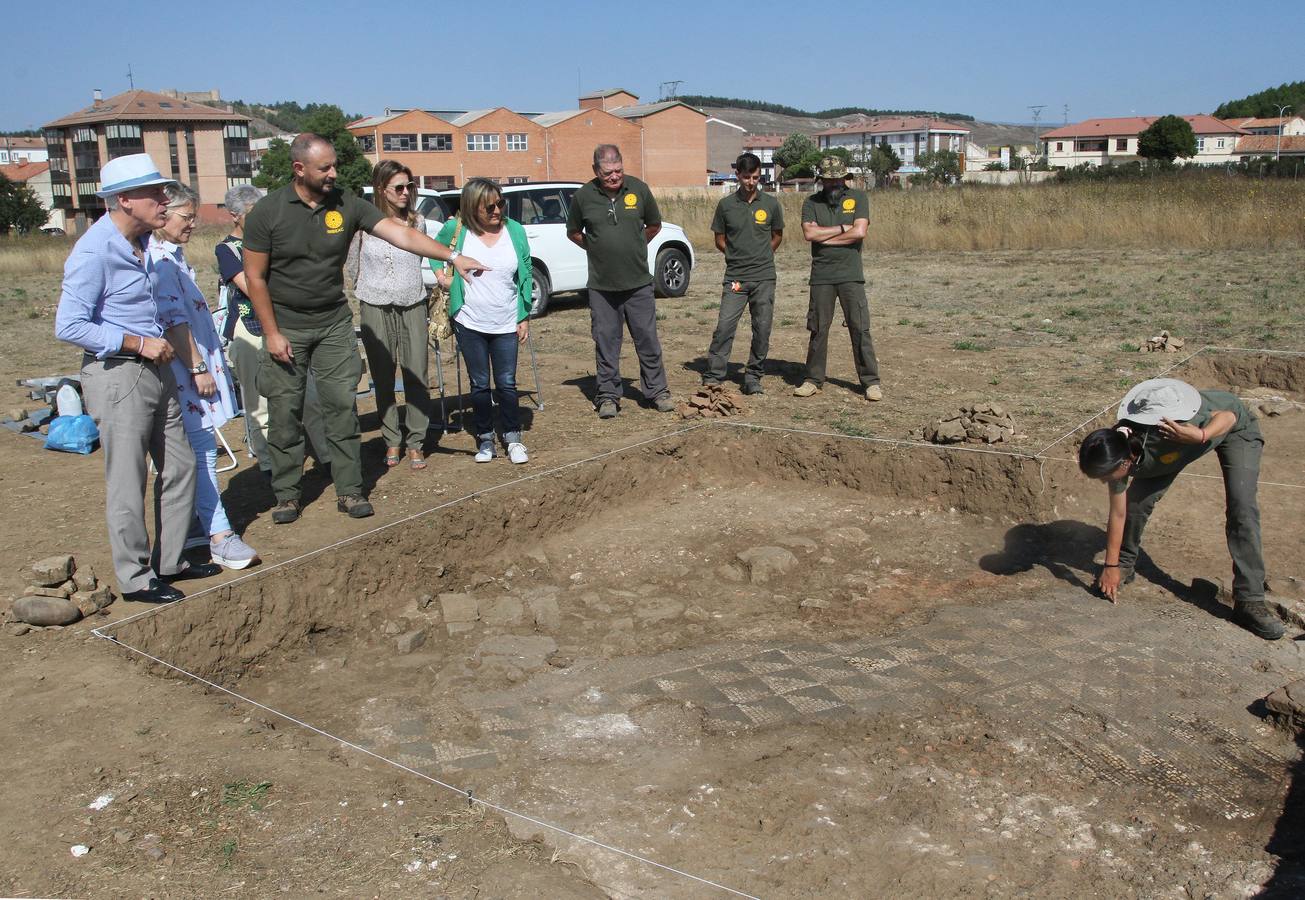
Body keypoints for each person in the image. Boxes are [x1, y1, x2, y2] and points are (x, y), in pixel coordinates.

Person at [242, 133, 486, 524]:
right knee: (286, 412)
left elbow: (401, 233)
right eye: (325, 168)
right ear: (298, 169)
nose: (334, 173)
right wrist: (271, 333)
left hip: (333, 322)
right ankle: (287, 494)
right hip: (286, 325)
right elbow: (255, 279)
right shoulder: (267, 213)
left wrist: (452, 255)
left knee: (341, 407)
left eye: (334, 165)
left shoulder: (347, 205)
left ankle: (350, 489)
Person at [53, 153, 218, 602]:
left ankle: (171, 561)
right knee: (127, 479)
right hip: (118, 373)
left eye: (164, 192)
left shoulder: (143, 244)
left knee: (181, 465)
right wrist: (136, 343)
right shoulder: (95, 251)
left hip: (157, 369)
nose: (164, 200)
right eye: (154, 193)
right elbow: (69, 325)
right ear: (124, 200)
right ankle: (135, 577)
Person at [1078, 377, 1283, 640]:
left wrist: (1201, 435)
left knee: (1241, 508)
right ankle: (1126, 565)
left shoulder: (1185, 421)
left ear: (1127, 462)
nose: (1107, 481)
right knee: (1135, 504)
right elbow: (1119, 512)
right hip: (1170, 451)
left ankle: (1250, 600)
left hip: (1227, 430)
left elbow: (1229, 417)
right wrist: (1111, 565)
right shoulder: (1117, 446)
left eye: (1107, 475)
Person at [150, 183, 258, 570]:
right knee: (202, 451)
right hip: (186, 371)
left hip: (192, 366)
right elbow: (173, 321)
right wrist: (197, 366)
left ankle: (194, 525)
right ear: (163, 215)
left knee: (194, 453)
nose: (193, 223)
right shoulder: (159, 258)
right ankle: (219, 535)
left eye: (194, 216)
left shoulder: (173, 256)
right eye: (186, 216)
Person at [216, 185, 332, 481]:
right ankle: (269, 464)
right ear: (235, 216)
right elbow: (252, 287)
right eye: (254, 214)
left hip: (287, 325)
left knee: (310, 396)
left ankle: (327, 457)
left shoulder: (274, 242)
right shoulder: (227, 250)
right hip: (249, 331)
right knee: (258, 403)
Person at [566, 144, 674, 419]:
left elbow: (653, 225)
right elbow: (574, 232)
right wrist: (598, 248)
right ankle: (608, 396)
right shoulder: (583, 197)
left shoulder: (639, 189)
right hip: (602, 287)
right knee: (606, 342)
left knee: (647, 339)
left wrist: (635, 245)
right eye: (607, 173)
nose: (614, 177)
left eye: (618, 171)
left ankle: (657, 392)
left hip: (638, 283)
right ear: (595, 171)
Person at [432, 178, 532, 464]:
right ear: (472, 207)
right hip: (470, 320)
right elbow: (435, 250)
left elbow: (525, 268)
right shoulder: (457, 229)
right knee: (479, 383)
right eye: (489, 207)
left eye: (500, 204)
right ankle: (485, 438)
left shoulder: (514, 230)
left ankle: (513, 437)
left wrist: (523, 315)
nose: (497, 210)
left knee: (507, 382)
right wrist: (441, 277)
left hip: (505, 320)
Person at [346, 160, 431, 470]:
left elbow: (421, 257)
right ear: (381, 190)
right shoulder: (363, 225)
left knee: (416, 374)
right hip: (375, 304)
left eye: (410, 186)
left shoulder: (418, 222)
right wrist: (364, 290)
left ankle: (416, 441)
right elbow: (352, 265)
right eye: (399, 187)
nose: (406, 193)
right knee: (382, 376)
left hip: (412, 302)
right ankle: (391, 439)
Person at [794, 156, 883, 402]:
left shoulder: (858, 199)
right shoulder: (811, 202)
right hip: (821, 275)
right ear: (821, 180)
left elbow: (860, 231)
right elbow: (809, 233)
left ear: (845, 178)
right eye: (828, 179)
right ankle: (813, 379)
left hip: (851, 274)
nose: (833, 183)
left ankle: (870, 382)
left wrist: (827, 237)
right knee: (818, 328)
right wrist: (844, 229)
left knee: (859, 327)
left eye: (837, 179)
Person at [703, 152, 784, 395]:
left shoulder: (771, 204)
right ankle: (714, 375)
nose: (751, 182)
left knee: (762, 328)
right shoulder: (726, 205)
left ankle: (753, 376)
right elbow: (719, 238)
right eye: (747, 177)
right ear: (738, 175)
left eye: (756, 177)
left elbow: (777, 234)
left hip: (764, 277)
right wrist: (734, 254)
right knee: (725, 326)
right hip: (735, 278)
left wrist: (762, 255)